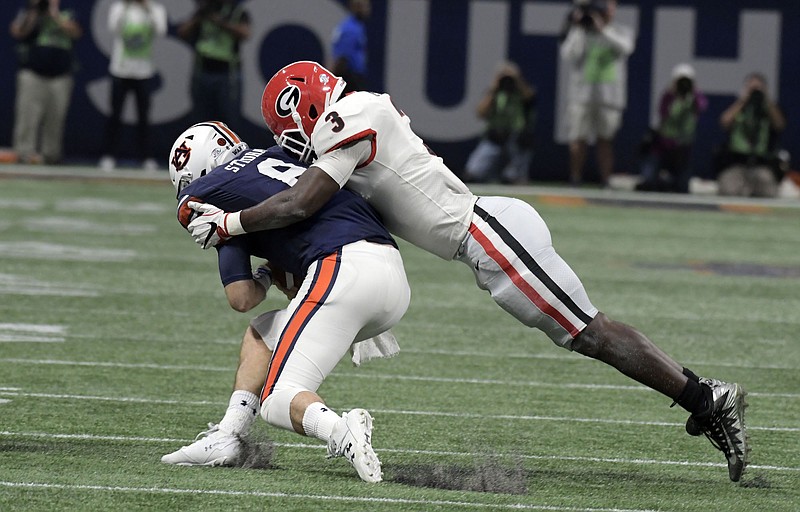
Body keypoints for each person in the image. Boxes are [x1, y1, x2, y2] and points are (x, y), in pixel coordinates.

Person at [185, 61, 750, 483]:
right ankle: (704, 398)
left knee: (590, 333)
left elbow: (301, 203)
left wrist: (231, 224)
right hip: (480, 242)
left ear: (304, 107)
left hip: (489, 235)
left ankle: (707, 398)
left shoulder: (350, 116)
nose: (298, 146)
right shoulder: (354, 119)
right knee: (586, 335)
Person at [160, 121, 410, 483]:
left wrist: (263, 273)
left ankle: (342, 432)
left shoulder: (212, 193)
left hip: (343, 270)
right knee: (263, 334)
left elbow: (241, 297)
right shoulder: (281, 155)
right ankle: (229, 436)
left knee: (278, 398)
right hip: (392, 276)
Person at [559, 0, 634, 187]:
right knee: (578, 139)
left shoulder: (620, 31)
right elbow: (568, 54)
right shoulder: (582, 31)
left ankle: (605, 180)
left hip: (609, 97)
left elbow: (626, 48)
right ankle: (575, 179)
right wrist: (579, 28)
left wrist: (602, 29)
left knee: (605, 140)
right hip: (581, 95)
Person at [9, 0, 82, 165]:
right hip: (33, 71)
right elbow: (18, 31)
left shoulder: (69, 8)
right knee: (27, 117)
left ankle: (51, 156)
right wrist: (35, 12)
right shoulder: (31, 7)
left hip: (60, 73)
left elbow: (76, 32)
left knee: (55, 119)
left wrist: (55, 16)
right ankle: (23, 154)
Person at [98, 0, 167, 172]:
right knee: (115, 116)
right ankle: (109, 155)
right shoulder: (119, 7)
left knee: (143, 118)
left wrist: (148, 8)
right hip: (120, 70)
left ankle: (146, 157)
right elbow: (113, 27)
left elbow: (161, 30)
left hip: (144, 72)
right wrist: (125, 7)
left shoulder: (155, 9)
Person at [636, 63, 708, 193]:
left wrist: (693, 92)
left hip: (681, 153)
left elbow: (702, 106)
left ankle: (670, 182)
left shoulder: (693, 99)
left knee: (682, 188)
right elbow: (663, 114)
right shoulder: (668, 96)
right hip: (661, 150)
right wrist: (674, 94)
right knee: (648, 182)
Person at [462, 61, 537, 185]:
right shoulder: (494, 93)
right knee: (472, 173)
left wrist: (516, 79)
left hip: (516, 140)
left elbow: (530, 97)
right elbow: (480, 113)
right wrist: (494, 87)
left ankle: (513, 174)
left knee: (514, 178)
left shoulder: (523, 92)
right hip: (495, 139)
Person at [177, 0, 250, 126]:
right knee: (201, 117)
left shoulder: (236, 12)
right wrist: (199, 18)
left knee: (229, 118)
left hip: (227, 73)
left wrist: (221, 22)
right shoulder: (204, 11)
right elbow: (182, 32)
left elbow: (245, 33)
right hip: (203, 70)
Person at [715, 72, 786, 198]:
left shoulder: (768, 108)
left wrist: (766, 99)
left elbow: (780, 125)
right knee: (728, 191)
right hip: (737, 163)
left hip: (761, 165)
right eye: (751, 88)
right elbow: (724, 121)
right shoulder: (739, 106)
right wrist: (744, 99)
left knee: (769, 192)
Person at [330, 0, 370, 93]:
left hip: (353, 76)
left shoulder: (355, 26)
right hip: (350, 78)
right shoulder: (351, 29)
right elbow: (342, 56)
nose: (367, 9)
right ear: (356, 7)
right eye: (364, 6)